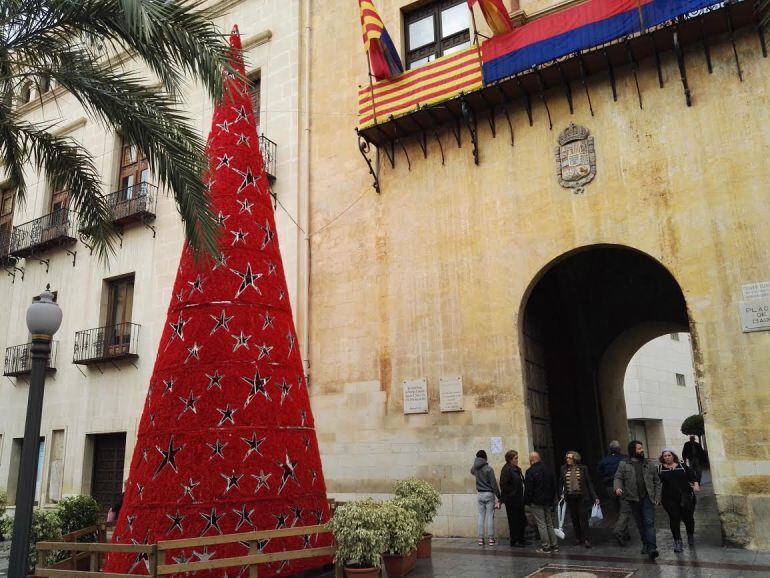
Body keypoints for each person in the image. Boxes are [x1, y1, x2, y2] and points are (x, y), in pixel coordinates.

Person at [614, 440, 661, 561]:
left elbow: (657, 482)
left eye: (642, 448)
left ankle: (652, 548)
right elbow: (618, 477)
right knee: (640, 524)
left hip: (647, 498)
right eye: (639, 448)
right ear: (633, 450)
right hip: (632, 499)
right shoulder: (623, 464)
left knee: (649, 523)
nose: (642, 450)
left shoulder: (648, 464)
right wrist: (618, 487)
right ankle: (645, 543)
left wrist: (657, 497)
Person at [658, 449, 700, 552]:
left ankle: (690, 535)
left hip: (686, 496)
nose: (667, 457)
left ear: (673, 456)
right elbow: (656, 483)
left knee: (688, 518)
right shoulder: (659, 469)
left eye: (669, 455)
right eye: (665, 456)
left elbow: (692, 476)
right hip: (669, 498)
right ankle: (677, 541)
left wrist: (696, 484)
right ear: (663, 458)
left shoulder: (682, 466)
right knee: (674, 518)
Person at [559, 450, 599, 548]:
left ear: (575, 459)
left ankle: (586, 539)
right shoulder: (563, 468)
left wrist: (595, 497)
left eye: (570, 458)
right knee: (574, 518)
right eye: (567, 458)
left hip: (581, 497)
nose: (567, 459)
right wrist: (561, 493)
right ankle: (578, 538)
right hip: (570, 497)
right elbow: (560, 482)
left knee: (583, 519)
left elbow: (589, 483)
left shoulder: (583, 468)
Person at [524, 451, 559, 554]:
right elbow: (554, 485)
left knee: (541, 524)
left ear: (531, 460)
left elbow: (529, 489)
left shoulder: (530, 471)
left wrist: (527, 501)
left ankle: (546, 547)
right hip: (548, 501)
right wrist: (552, 498)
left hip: (536, 501)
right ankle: (554, 545)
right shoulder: (549, 469)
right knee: (549, 523)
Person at [598, 440, 631, 546]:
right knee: (625, 510)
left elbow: (599, 472)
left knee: (617, 510)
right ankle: (621, 531)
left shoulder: (604, 460)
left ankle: (623, 531)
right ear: (619, 449)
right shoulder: (625, 459)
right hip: (623, 487)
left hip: (610, 487)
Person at [471, 449, 501, 546]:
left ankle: (480, 539)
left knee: (480, 516)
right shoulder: (489, 469)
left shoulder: (475, 468)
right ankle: (491, 539)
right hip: (489, 494)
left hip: (479, 494)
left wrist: (475, 464)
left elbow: (471, 471)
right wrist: (499, 496)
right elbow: (494, 484)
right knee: (490, 516)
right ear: (485, 457)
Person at [500, 450, 527, 547]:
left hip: (519, 499)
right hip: (512, 500)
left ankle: (521, 539)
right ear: (510, 459)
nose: (517, 460)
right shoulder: (506, 469)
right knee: (514, 520)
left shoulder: (517, 469)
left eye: (517, 458)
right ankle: (515, 540)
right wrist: (512, 493)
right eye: (515, 458)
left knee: (521, 520)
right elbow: (503, 485)